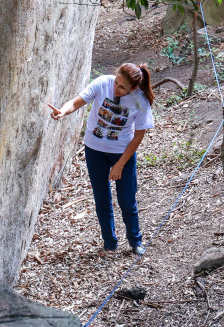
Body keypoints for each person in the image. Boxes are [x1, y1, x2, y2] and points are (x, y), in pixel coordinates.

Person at [50, 63, 155, 255]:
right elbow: (77, 101)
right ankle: (110, 242)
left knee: (126, 199)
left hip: (122, 152)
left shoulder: (140, 100)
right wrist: (63, 111)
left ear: (133, 88)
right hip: (94, 150)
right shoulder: (102, 83)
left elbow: (139, 136)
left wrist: (120, 165)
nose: (116, 88)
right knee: (101, 198)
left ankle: (135, 241)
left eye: (122, 87)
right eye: (116, 82)